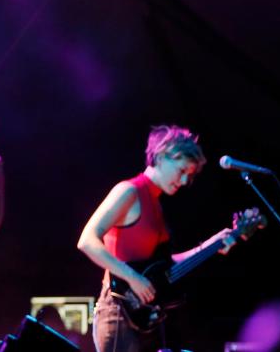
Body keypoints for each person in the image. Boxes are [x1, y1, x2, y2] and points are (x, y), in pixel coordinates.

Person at [77, 125, 236, 351]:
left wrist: (211, 245)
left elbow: (164, 266)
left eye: (188, 176)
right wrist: (133, 277)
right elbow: (87, 240)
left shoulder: (155, 204)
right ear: (162, 156)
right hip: (118, 310)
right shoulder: (129, 191)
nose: (183, 182)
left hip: (142, 315)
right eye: (182, 171)